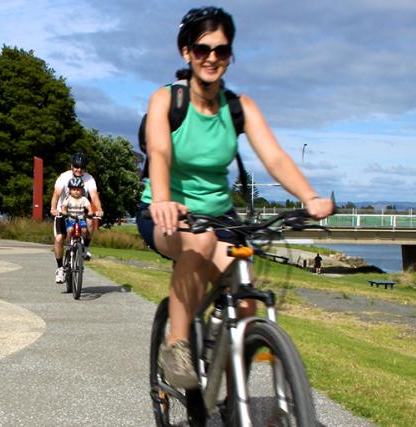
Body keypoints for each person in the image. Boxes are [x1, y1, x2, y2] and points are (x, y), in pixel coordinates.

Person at [136, 6, 334, 389]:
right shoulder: (166, 100)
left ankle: (231, 397)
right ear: (186, 53)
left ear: (230, 55)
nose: (211, 58)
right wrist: (161, 199)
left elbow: (275, 157)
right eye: (202, 49)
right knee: (199, 242)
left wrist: (309, 197)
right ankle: (177, 344)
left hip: (221, 215)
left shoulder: (240, 107)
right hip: (166, 213)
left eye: (221, 50)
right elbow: (158, 152)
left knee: (244, 299)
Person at [50, 152, 104, 284]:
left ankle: (84, 248)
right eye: (76, 166)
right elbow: (56, 194)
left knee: (91, 221)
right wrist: (53, 209)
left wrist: (99, 209)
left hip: (81, 213)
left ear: (85, 168)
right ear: (71, 166)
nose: (78, 169)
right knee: (59, 238)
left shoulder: (89, 179)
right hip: (64, 213)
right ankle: (60, 268)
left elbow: (94, 196)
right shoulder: (64, 177)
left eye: (82, 167)